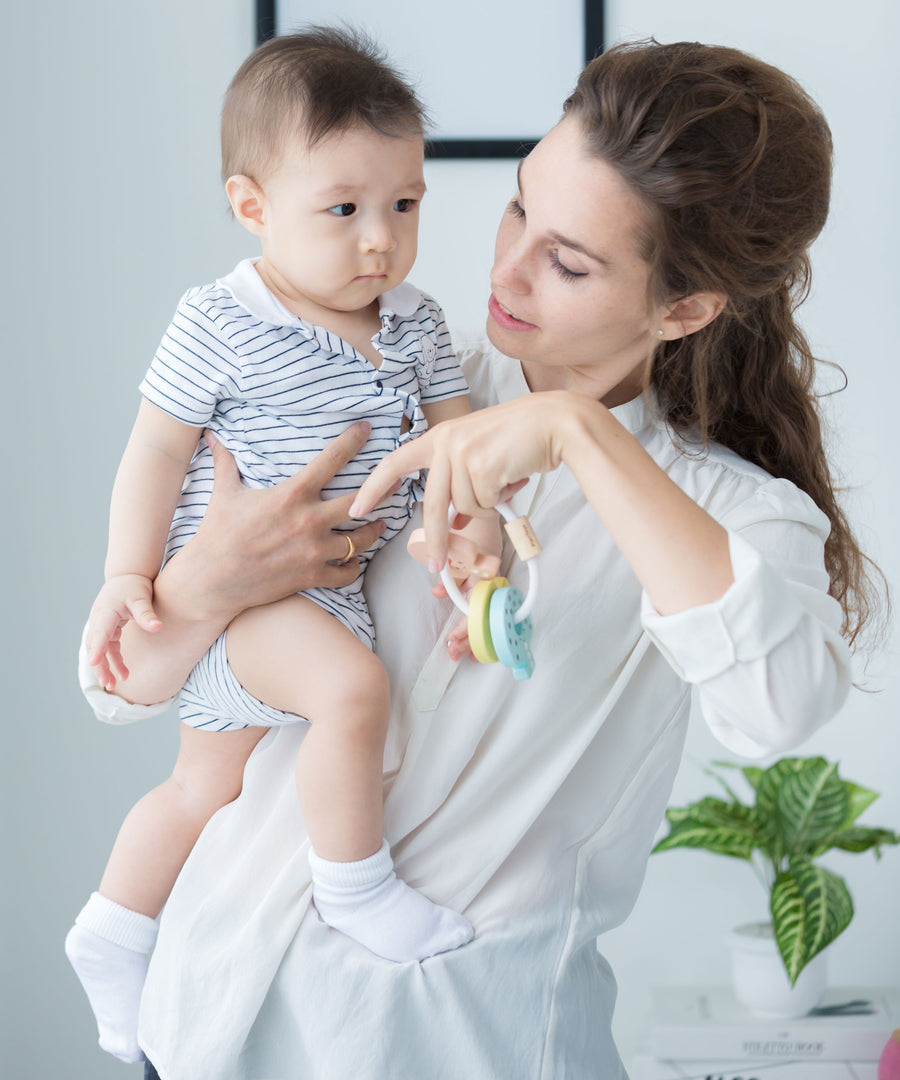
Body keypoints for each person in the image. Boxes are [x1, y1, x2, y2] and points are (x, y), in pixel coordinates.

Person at [77, 39, 883, 1080]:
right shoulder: (380, 384)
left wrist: (578, 435)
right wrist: (203, 583)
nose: (503, 269)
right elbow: (121, 693)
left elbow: (780, 710)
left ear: (683, 310)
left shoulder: (726, 511)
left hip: (447, 1042)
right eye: (516, 209)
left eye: (570, 261)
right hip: (204, 1014)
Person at [65, 27, 496, 1066]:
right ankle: (357, 888)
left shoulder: (417, 321)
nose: (379, 240)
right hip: (244, 600)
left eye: (405, 204)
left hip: (322, 592)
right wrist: (129, 576)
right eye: (342, 211)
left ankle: (111, 933)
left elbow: (455, 444)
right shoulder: (218, 319)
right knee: (354, 692)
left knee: (202, 790)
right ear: (252, 206)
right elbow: (154, 453)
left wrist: (468, 527)